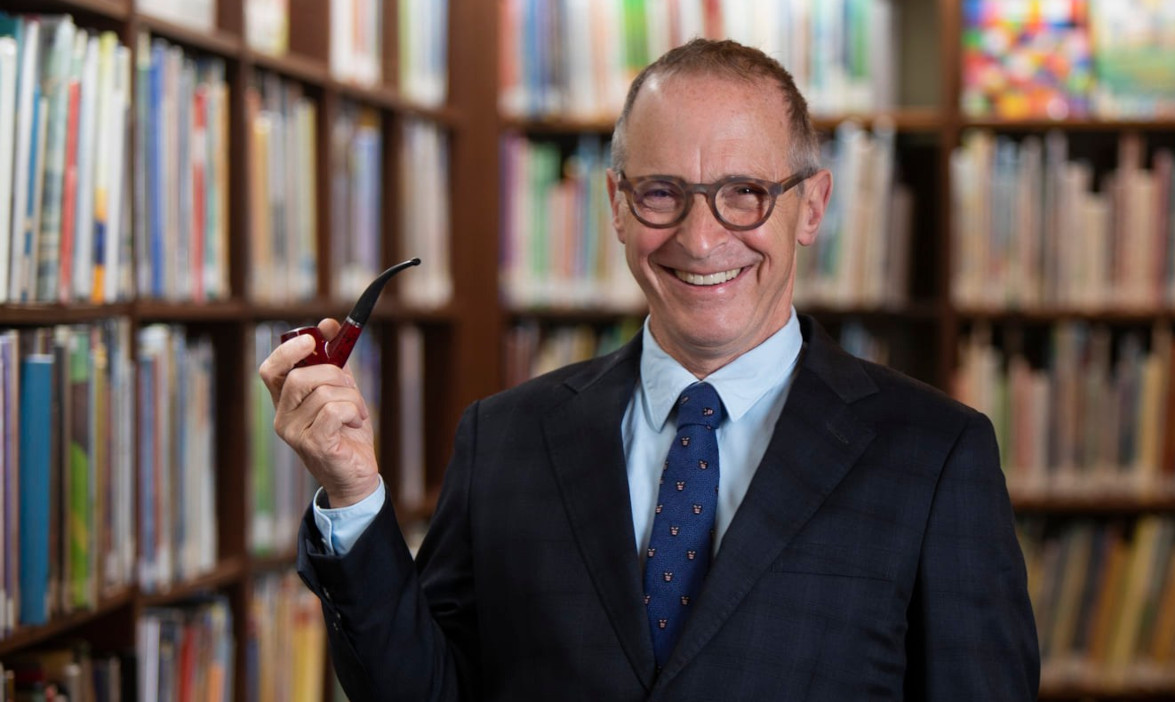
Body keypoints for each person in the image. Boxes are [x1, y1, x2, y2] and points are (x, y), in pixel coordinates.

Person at [259, 38, 1039, 701]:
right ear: (619, 206)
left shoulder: (936, 457)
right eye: (663, 192)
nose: (701, 240)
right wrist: (353, 496)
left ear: (812, 207)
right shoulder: (505, 439)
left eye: (745, 193)